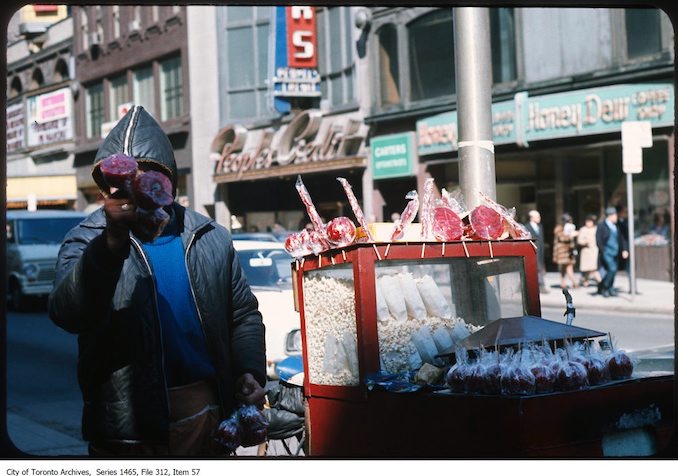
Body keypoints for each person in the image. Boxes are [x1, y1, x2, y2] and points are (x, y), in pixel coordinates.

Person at [48, 105, 267, 457]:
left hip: (205, 418)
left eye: (148, 178)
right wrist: (111, 244)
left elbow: (242, 315)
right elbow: (68, 314)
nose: (135, 191)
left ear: (169, 179)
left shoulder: (210, 236)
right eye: (121, 182)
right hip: (127, 432)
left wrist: (249, 370)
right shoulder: (86, 238)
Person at [595, 206, 629, 297]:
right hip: (607, 252)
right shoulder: (601, 225)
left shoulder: (617, 226)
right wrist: (603, 250)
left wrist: (624, 249)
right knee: (612, 269)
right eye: (615, 216)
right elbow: (598, 240)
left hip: (616, 252)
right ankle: (605, 287)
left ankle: (610, 288)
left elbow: (622, 239)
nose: (616, 217)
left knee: (613, 271)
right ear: (610, 216)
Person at [524, 210, 549, 293]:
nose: (539, 218)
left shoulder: (540, 227)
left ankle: (541, 286)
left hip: (540, 251)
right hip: (532, 251)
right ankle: (535, 287)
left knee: (540, 268)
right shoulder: (526, 227)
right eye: (537, 217)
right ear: (532, 218)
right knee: (533, 269)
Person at [552, 213, 579, 289]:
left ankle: (562, 282)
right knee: (569, 267)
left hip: (569, 250)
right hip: (562, 251)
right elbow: (562, 238)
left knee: (564, 267)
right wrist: (571, 235)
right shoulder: (559, 228)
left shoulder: (569, 227)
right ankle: (574, 283)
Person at [576, 215, 601, 287]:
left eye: (590, 222)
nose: (588, 223)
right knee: (588, 268)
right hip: (586, 251)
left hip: (594, 251)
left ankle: (600, 282)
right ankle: (588, 281)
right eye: (587, 222)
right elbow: (579, 241)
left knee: (593, 268)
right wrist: (585, 241)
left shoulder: (596, 229)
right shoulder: (583, 229)